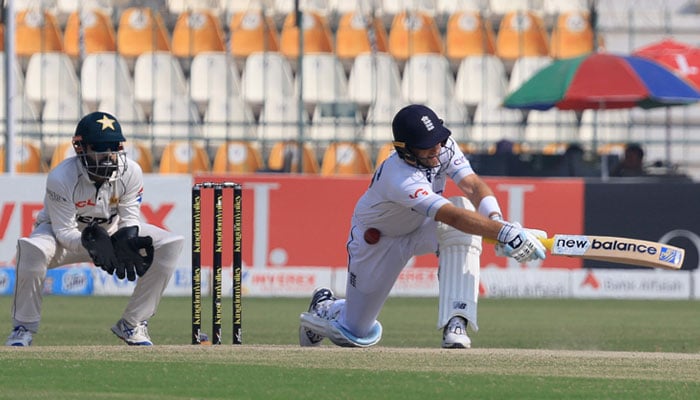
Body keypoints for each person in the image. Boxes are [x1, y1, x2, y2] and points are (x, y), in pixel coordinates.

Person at [299, 104, 547, 349]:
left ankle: (456, 322)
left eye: (438, 141)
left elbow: (471, 185)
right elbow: (451, 215)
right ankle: (325, 306)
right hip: (380, 240)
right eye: (427, 147)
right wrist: (504, 233)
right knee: (354, 333)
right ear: (405, 150)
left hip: (423, 226)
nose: (437, 150)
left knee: (462, 218)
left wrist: (497, 221)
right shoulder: (400, 176)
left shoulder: (443, 145)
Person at [5, 111, 184, 346]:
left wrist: (126, 239)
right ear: (81, 148)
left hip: (110, 232)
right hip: (62, 238)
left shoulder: (131, 171)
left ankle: (132, 324)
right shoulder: (62, 176)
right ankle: (23, 328)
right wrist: (93, 243)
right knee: (31, 249)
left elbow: (130, 218)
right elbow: (64, 231)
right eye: (99, 147)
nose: (108, 154)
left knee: (169, 244)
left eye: (112, 146)